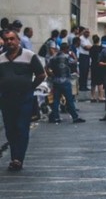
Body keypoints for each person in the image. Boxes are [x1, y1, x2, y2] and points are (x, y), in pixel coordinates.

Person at [0, 29, 47, 171]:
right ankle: (15, 156)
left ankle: (18, 159)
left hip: (24, 98)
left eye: (12, 39)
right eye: (6, 39)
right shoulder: (1, 58)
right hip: (6, 99)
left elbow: (41, 75)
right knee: (10, 129)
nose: (9, 42)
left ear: (18, 40)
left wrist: (30, 87)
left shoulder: (29, 56)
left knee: (21, 127)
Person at [46, 42, 86, 124]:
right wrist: (74, 56)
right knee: (69, 100)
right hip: (65, 81)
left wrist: (52, 75)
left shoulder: (53, 57)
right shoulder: (67, 57)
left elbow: (47, 67)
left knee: (56, 100)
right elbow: (74, 62)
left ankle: (56, 117)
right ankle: (75, 117)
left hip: (56, 80)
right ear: (66, 49)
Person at [89, 34, 104, 102]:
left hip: (93, 64)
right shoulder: (101, 48)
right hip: (100, 65)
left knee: (93, 81)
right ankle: (100, 96)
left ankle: (92, 96)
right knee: (100, 81)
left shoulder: (91, 48)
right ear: (99, 40)